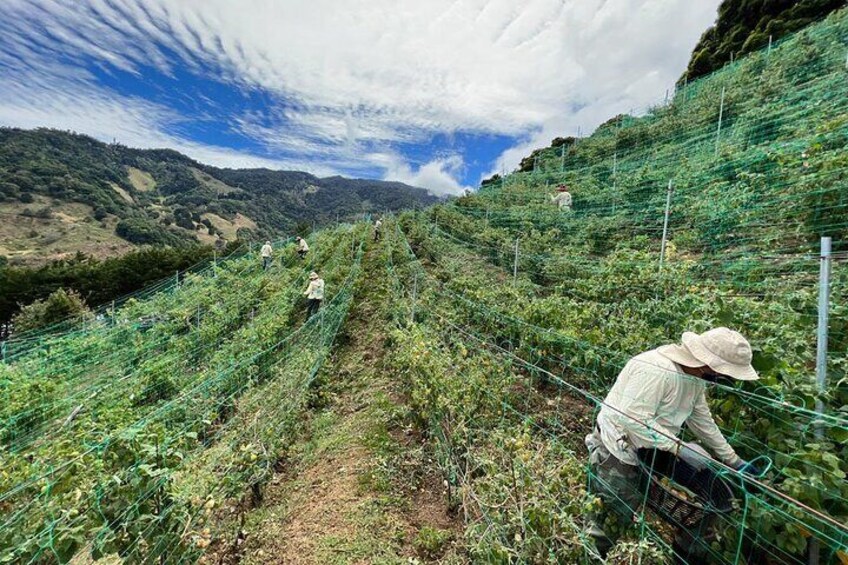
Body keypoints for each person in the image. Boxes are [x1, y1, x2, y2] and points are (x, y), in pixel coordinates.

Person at [584, 327, 762, 561]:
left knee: (702, 513)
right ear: (710, 364)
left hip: (655, 450)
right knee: (612, 519)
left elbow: (702, 419)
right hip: (619, 451)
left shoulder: (695, 378)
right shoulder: (657, 370)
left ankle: (682, 556)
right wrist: (680, 447)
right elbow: (633, 418)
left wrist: (734, 460)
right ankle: (588, 556)